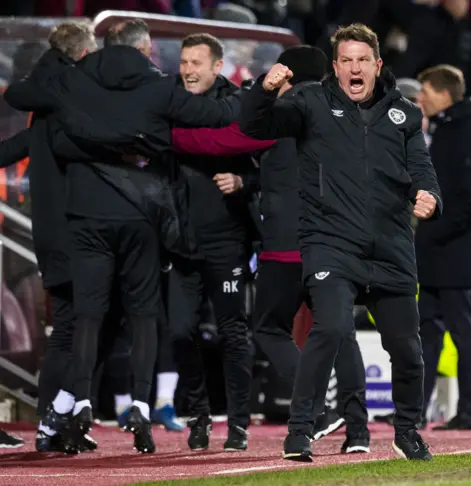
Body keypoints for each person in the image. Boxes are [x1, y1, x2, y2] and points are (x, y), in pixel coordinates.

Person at [3, 18, 238, 454]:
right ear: (145, 49)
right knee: (133, 316)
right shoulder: (150, 89)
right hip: (133, 217)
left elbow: (22, 104)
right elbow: (214, 115)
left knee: (85, 319)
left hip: (79, 219)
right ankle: (130, 408)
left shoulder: (70, 87)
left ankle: (73, 407)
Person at [240, 23, 442, 461]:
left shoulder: (404, 113)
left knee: (408, 349)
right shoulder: (309, 102)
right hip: (331, 243)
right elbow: (254, 125)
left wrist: (429, 196)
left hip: (391, 248)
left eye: (362, 60)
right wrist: (262, 89)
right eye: (346, 60)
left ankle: (406, 431)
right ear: (335, 66)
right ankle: (299, 432)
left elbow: (421, 169)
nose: (354, 68)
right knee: (329, 328)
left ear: (377, 64)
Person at [250, 45, 370, 453]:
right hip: (335, 244)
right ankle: (357, 431)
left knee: (268, 326)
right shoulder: (344, 116)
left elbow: (237, 136)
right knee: (341, 334)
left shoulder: (279, 118)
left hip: (286, 244)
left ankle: (316, 409)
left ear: (284, 75)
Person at [0, 21, 100, 453]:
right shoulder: (73, 100)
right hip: (77, 231)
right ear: (80, 57)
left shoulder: (44, 110)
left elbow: (18, 129)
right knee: (81, 326)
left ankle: (57, 418)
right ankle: (62, 417)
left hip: (54, 232)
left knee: (71, 327)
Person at [167, 33, 259, 452]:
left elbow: (268, 165)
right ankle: (198, 415)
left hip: (226, 239)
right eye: (184, 62)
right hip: (180, 241)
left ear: (217, 66)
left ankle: (238, 424)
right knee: (180, 330)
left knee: (232, 333)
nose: (188, 70)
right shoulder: (169, 98)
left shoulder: (239, 103)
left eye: (196, 63)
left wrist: (243, 181)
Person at [415, 65, 471, 431]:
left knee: (462, 332)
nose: (421, 98)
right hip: (434, 249)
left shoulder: (469, 130)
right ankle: (415, 411)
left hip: (456, 250)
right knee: (426, 331)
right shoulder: (445, 129)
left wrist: (434, 232)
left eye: (426, 91)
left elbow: (470, 199)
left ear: (444, 93)